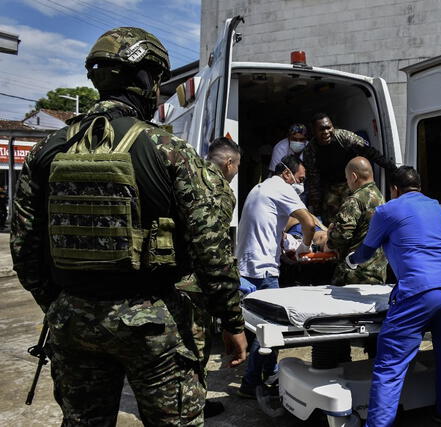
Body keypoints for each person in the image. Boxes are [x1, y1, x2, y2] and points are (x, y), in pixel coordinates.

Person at [10, 27, 247, 425]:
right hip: (152, 323)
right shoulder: (167, 150)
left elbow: (24, 248)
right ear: (147, 81)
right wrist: (231, 320)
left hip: (72, 320)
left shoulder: (47, 149)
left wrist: (62, 302)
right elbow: (211, 248)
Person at [347, 166, 441, 427]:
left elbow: (367, 251)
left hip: (419, 291)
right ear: (420, 187)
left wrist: (350, 260)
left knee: (390, 365)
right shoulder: (436, 207)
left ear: (394, 190)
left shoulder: (387, 210)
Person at [235, 154, 316, 397]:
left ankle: (270, 373)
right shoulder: (282, 187)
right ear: (287, 173)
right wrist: (304, 247)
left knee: (260, 328)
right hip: (263, 271)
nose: (300, 184)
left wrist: (286, 249)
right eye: (300, 178)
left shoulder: (261, 188)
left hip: (248, 266)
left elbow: (268, 229)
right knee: (271, 331)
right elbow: (309, 224)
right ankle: (249, 385)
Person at [175, 136, 242, 417]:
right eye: (237, 166)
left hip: (168, 278)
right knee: (195, 349)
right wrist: (231, 318)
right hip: (194, 285)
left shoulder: (185, 175)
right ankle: (190, 408)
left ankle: (187, 403)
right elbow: (215, 254)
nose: (236, 172)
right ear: (228, 163)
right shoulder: (220, 190)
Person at [303, 112, 396, 224]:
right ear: (313, 131)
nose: (326, 132)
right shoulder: (310, 150)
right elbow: (313, 180)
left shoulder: (344, 137)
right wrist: (316, 208)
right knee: (332, 220)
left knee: (357, 214)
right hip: (330, 187)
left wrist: (392, 168)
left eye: (329, 128)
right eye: (322, 129)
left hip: (351, 182)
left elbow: (369, 152)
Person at [326, 156, 387, 285]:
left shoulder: (355, 200)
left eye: (347, 179)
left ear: (353, 177)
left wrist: (331, 234)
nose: (347, 182)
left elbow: (342, 236)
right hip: (378, 271)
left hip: (354, 274)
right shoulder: (380, 197)